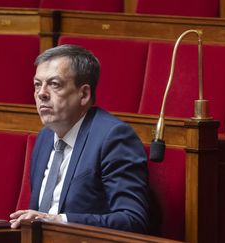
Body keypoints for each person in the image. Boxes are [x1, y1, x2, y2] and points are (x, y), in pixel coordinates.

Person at [9, 44, 149, 233]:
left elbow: (132, 219)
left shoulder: (113, 138)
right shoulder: (45, 136)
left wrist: (58, 220)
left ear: (83, 94)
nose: (41, 93)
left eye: (54, 84)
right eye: (37, 84)